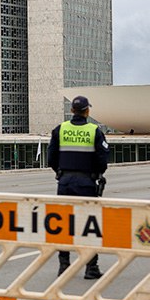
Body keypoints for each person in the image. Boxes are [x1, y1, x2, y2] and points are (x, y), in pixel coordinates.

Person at [47, 95, 109, 278]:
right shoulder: (94, 131)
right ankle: (91, 268)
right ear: (87, 111)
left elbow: (51, 158)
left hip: (64, 182)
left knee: (63, 224)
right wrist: (95, 174)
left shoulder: (61, 129)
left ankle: (64, 266)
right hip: (86, 183)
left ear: (72, 111)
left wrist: (62, 172)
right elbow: (102, 160)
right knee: (89, 225)